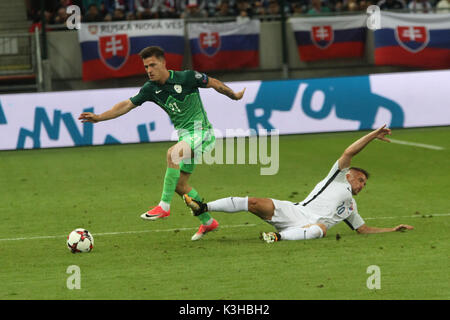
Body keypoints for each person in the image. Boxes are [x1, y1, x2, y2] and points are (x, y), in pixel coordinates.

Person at [78, 46, 245, 240]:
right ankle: (208, 222)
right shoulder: (151, 88)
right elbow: (126, 105)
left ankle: (164, 206)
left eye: (153, 65)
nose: (149, 70)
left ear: (164, 63)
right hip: (186, 137)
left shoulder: (187, 78)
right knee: (180, 185)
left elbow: (214, 83)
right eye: (146, 66)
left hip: (202, 132)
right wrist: (99, 117)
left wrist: (234, 95)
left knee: (172, 154)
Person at [183, 125, 414, 242]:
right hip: (295, 210)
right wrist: (373, 135)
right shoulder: (338, 176)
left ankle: (277, 238)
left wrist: (392, 229)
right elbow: (349, 151)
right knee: (254, 201)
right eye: (361, 180)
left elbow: (363, 230)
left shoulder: (351, 207)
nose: (362, 185)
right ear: (349, 176)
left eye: (365, 184)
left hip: (310, 226)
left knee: (321, 229)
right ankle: (203, 207)